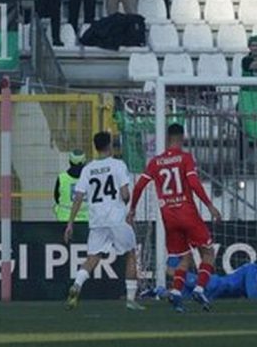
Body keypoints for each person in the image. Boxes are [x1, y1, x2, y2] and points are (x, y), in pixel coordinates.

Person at [128, 123, 223, 313]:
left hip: (169, 218)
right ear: (181, 137)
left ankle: (177, 293)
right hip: (188, 214)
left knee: (184, 257)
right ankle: (199, 289)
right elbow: (194, 183)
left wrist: (132, 209)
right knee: (208, 253)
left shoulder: (155, 162)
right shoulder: (185, 158)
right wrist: (210, 205)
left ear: (167, 138)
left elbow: (138, 187)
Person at [62, 132, 143, 311]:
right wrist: (126, 201)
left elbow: (78, 197)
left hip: (97, 220)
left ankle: (77, 285)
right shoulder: (118, 165)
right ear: (110, 146)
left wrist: (70, 223)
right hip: (116, 218)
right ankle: (130, 300)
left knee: (92, 258)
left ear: (95, 147)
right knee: (130, 253)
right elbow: (125, 194)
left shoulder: (88, 169)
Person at [149, 248, 257, 301]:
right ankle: (173, 257)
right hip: (211, 285)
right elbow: (252, 295)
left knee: (177, 296)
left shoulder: (256, 271)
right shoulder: (253, 270)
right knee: (174, 273)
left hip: (214, 293)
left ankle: (156, 291)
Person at [52, 150, 88, 221]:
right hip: (87, 220)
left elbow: (57, 198)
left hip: (65, 219)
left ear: (70, 162)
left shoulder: (62, 178)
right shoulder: (91, 178)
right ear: (84, 162)